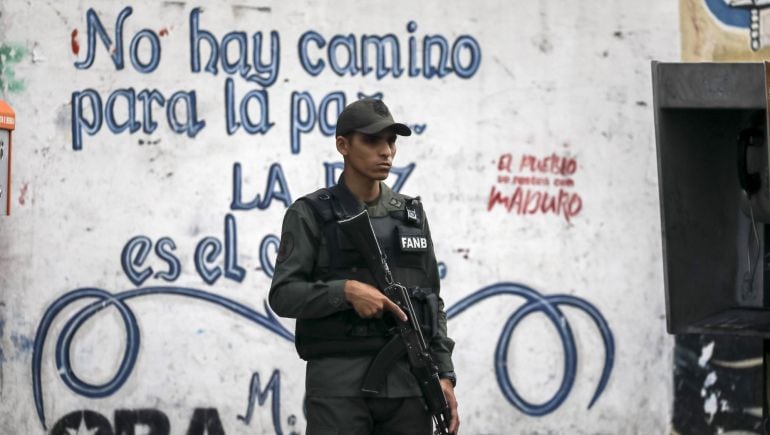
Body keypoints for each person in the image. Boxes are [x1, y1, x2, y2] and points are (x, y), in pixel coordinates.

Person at [269, 98, 459, 435]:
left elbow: (432, 302)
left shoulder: (410, 215)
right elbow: (283, 295)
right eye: (372, 141)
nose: (385, 151)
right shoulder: (310, 213)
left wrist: (443, 374)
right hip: (340, 388)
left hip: (408, 385)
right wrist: (345, 291)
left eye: (391, 141)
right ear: (343, 145)